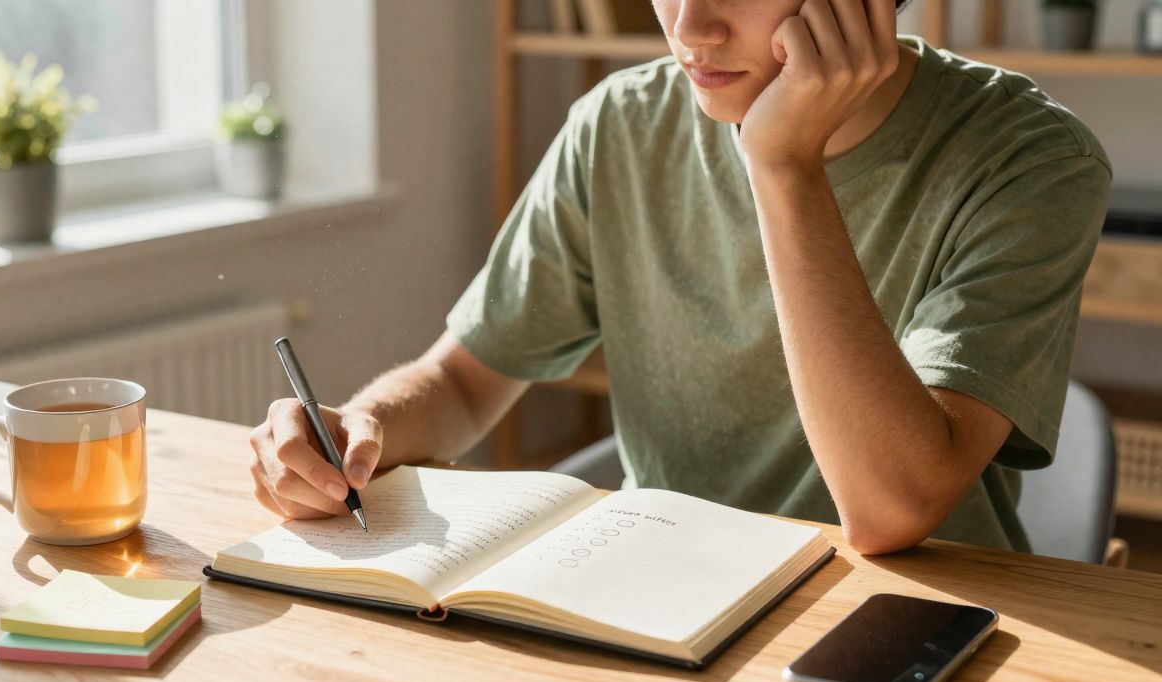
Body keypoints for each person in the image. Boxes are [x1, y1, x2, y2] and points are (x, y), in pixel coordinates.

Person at [248, 0, 1112, 555]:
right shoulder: (619, 125)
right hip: (669, 596)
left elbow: (891, 510)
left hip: (909, 625)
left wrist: (783, 165)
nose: (690, 27)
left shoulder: (1032, 160)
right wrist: (361, 426)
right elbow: (466, 382)